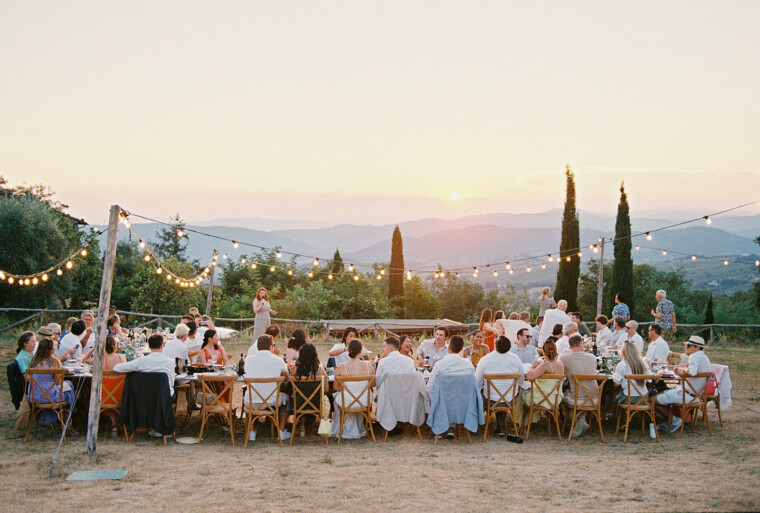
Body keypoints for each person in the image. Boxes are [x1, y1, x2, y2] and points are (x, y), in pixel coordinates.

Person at [654, 335, 711, 434]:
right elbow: (689, 367)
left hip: (686, 395)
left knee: (652, 400)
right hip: (696, 395)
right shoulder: (704, 358)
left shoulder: (694, 356)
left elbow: (691, 372)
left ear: (696, 348)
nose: (686, 347)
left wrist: (682, 371)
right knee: (662, 391)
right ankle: (669, 420)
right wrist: (676, 368)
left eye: (688, 345)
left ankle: (673, 420)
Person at [244, 334, 291, 442]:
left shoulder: (248, 359)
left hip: (252, 401)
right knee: (286, 399)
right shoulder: (278, 360)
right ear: (271, 346)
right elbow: (286, 376)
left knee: (250, 397)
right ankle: (281, 431)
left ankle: (252, 431)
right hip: (272, 401)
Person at [475, 335, 524, 436]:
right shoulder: (516, 359)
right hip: (510, 399)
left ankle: (478, 424)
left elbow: (477, 383)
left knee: (479, 394)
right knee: (502, 394)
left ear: (495, 345)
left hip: (490, 399)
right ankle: (500, 426)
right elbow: (521, 381)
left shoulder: (485, 359)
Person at [26, 337, 76, 434]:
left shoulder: (33, 361)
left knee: (66, 388)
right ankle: (67, 422)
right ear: (50, 349)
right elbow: (58, 382)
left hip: (34, 396)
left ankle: (61, 422)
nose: (55, 347)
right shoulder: (54, 361)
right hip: (48, 396)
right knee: (69, 386)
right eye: (54, 346)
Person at [332, 339, 375, 439]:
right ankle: (360, 427)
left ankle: (342, 427)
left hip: (347, 402)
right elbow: (372, 384)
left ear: (348, 351)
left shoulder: (341, 367)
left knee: (336, 398)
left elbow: (335, 387)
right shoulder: (369, 366)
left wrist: (347, 389)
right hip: (364, 401)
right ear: (361, 352)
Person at [520, 339, 565, 432]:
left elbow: (529, 376)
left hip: (542, 399)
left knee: (521, 392)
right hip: (555, 399)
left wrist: (532, 366)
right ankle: (532, 421)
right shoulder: (560, 364)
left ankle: (523, 425)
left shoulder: (545, 366)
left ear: (543, 352)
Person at [559, 334, 599, 438]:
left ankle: (575, 420)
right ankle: (581, 419)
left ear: (569, 345)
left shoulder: (564, 358)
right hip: (595, 398)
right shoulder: (592, 357)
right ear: (581, 343)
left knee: (560, 398)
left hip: (578, 399)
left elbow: (560, 371)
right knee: (580, 393)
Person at [114, 334, 176, 398]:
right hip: (165, 397)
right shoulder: (171, 361)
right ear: (162, 345)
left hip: (147, 398)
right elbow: (172, 382)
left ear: (149, 346)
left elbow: (117, 368)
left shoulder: (142, 361)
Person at [88, 335, 127, 435]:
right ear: (115, 345)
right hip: (119, 396)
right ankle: (116, 424)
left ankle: (114, 424)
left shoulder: (98, 359)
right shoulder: (122, 357)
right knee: (115, 389)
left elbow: (84, 361)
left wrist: (94, 349)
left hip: (103, 396)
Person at [291, 342, 328, 437]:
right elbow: (326, 390)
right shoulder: (320, 370)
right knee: (311, 398)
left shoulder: (296, 370)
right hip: (316, 403)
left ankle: (302, 425)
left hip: (299, 403)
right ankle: (309, 425)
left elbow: (292, 388)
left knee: (301, 399)